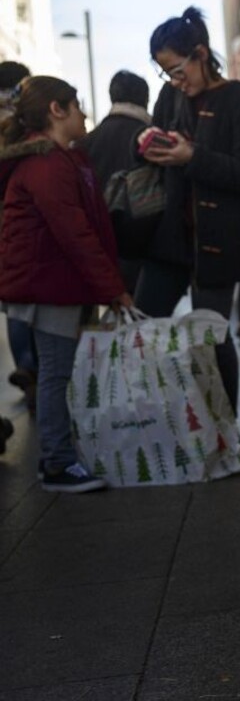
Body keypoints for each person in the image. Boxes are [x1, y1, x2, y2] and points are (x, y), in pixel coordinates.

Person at [134, 7, 240, 412]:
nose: (175, 81)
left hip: (219, 240)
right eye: (166, 74)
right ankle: (156, 424)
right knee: (144, 328)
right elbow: (150, 147)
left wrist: (192, 156)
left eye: (178, 70)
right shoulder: (169, 97)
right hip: (168, 237)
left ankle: (224, 431)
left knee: (210, 339)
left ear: (200, 53)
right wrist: (143, 144)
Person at [0, 76, 133, 492]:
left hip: (55, 281)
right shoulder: (47, 165)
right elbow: (74, 233)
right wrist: (113, 289)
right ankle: (57, 463)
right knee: (57, 374)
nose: (84, 113)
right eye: (76, 105)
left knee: (59, 372)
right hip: (49, 283)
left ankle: (58, 456)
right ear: (57, 111)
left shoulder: (63, 159)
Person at [78, 70, 152, 294]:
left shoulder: (85, 143)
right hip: (143, 247)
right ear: (145, 99)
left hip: (96, 247)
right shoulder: (152, 139)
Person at [0, 60, 38, 413]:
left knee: (13, 305)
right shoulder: (24, 122)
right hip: (23, 224)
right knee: (31, 302)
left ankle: (26, 369)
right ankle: (31, 368)